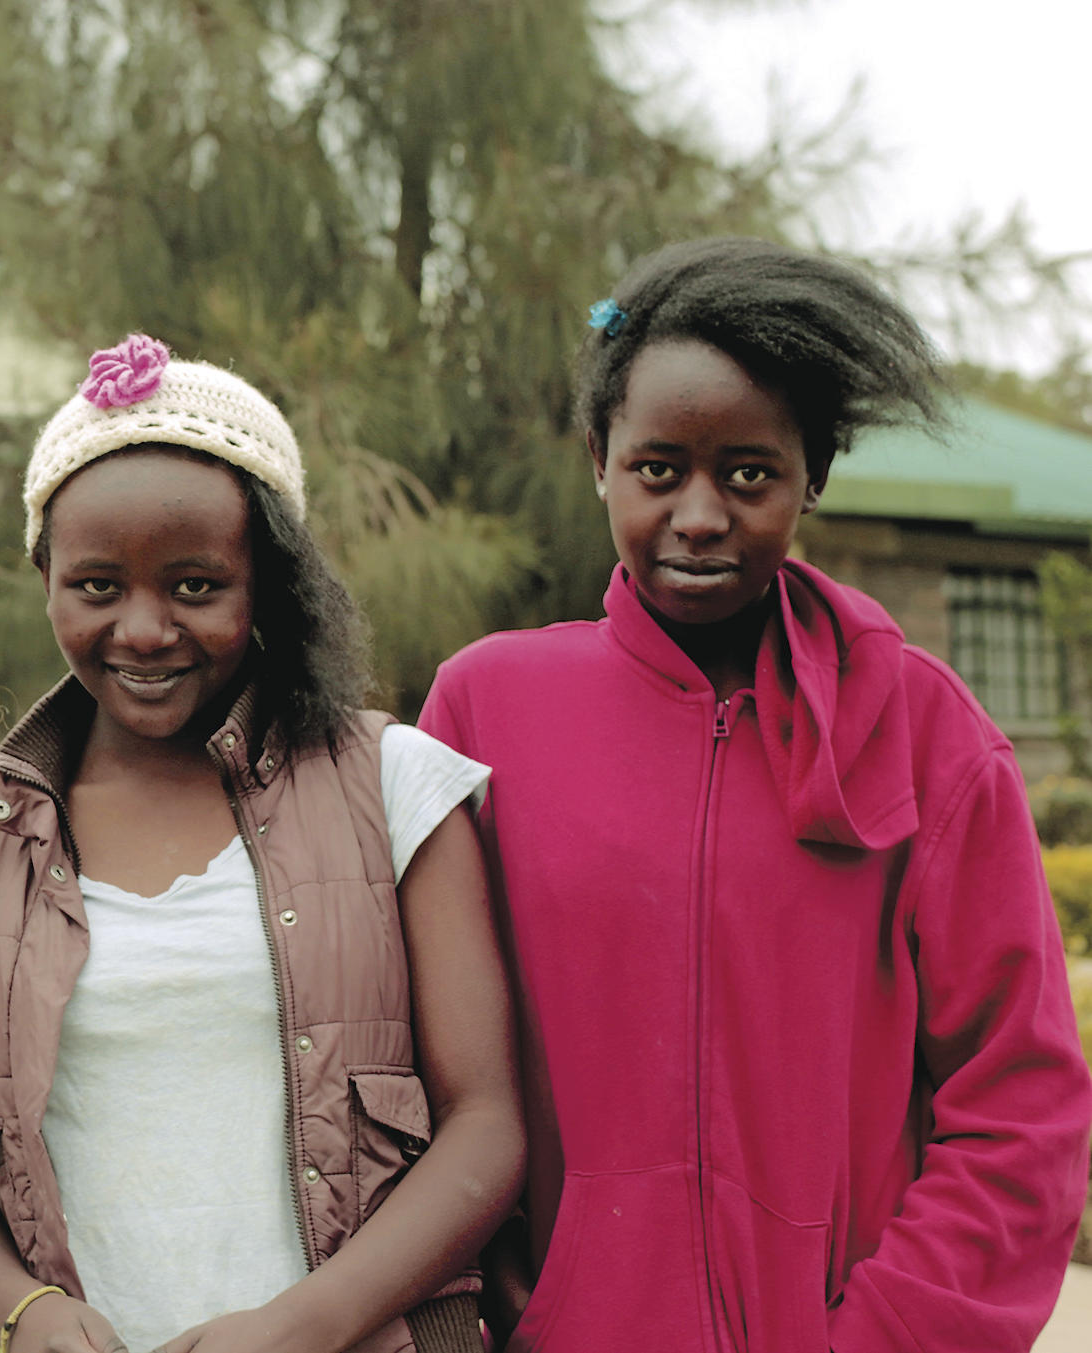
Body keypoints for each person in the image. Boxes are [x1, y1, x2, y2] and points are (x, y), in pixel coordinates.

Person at [419, 237, 1092, 1351]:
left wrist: (878, 1336)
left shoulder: (927, 734)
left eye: (747, 474)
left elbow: (1018, 1098)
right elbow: (411, 1068)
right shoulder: (484, 709)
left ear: (810, 476)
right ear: (597, 459)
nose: (698, 515)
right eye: (657, 469)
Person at [0, 334, 524, 1353]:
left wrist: (302, 1325)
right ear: (45, 577)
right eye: (96, 586)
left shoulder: (394, 785)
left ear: (266, 582)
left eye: (194, 585)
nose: (143, 630)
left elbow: (486, 1126)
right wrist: (23, 1312)